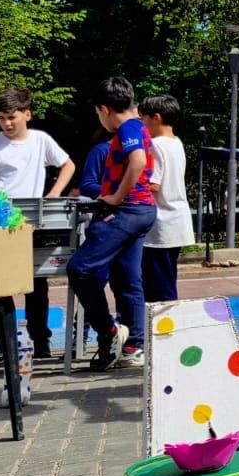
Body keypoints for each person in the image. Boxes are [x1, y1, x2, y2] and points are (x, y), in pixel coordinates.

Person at [0, 86, 75, 358]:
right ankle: (1, 342)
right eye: (2, 118)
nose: (7, 123)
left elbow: (68, 164)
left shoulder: (41, 140)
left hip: (31, 219)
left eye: (12, 117)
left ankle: (40, 340)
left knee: (35, 283)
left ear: (26, 114)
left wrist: (54, 194)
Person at [64, 77, 155, 371]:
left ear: (104, 109)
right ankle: (133, 346)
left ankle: (109, 331)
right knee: (128, 277)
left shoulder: (127, 127)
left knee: (79, 268)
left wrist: (115, 197)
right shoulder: (139, 125)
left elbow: (138, 162)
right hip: (141, 210)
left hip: (127, 209)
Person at [139, 94, 193, 303]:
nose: (142, 125)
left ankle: (162, 330)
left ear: (156, 118)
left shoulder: (154, 145)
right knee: (167, 280)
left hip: (161, 224)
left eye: (143, 119)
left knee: (157, 287)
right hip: (176, 219)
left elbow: (154, 184)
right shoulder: (176, 142)